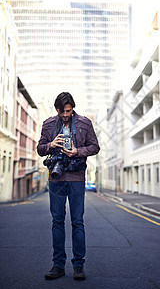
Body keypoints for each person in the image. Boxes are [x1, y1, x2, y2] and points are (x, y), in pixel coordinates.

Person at [37, 92, 100, 281]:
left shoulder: (84, 123)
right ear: (56, 109)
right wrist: (50, 144)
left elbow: (95, 147)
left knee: (77, 221)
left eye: (68, 111)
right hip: (56, 178)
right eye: (62, 111)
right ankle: (58, 265)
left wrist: (77, 151)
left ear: (72, 108)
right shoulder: (48, 124)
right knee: (57, 222)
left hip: (76, 177)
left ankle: (78, 265)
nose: (65, 115)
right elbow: (40, 149)